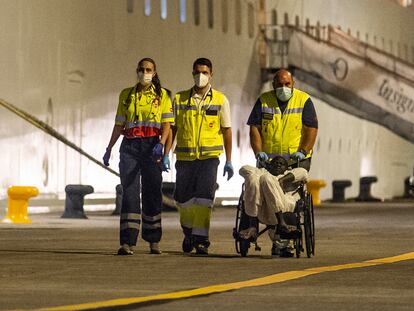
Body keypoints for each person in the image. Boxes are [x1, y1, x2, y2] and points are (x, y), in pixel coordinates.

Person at [103, 58, 174, 255]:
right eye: (142, 69)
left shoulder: (163, 96)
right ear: (137, 71)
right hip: (130, 148)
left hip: (152, 147)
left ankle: (153, 240)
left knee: (152, 192)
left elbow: (167, 124)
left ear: (155, 72)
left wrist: (162, 146)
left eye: (149, 69)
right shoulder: (126, 95)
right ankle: (128, 242)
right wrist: (109, 147)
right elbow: (119, 124)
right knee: (130, 193)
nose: (145, 73)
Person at [246, 68, 318, 256]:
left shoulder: (304, 101)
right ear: (273, 85)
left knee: (286, 192)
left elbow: (311, 128)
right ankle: (278, 239)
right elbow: (255, 128)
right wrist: (259, 152)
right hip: (269, 161)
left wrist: (303, 151)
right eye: (280, 85)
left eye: (287, 84)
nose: (283, 88)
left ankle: (283, 240)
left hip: (296, 161)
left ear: (293, 84)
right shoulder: (264, 101)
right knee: (268, 189)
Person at [173, 57, 234, 255]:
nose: (201, 76)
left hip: (209, 158)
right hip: (185, 158)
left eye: (205, 72)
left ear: (211, 74)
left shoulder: (220, 99)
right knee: (184, 200)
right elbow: (172, 128)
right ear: (192, 74)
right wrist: (165, 153)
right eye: (198, 72)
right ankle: (188, 231)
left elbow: (226, 130)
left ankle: (201, 240)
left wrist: (229, 160)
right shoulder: (179, 99)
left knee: (204, 200)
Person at [238, 156, 308, 240]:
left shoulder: (288, 174)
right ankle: (253, 225)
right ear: (269, 165)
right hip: (260, 211)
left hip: (285, 210)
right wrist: (256, 176)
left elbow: (303, 172)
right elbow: (243, 169)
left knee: (267, 178)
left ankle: (280, 221)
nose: (278, 164)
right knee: (255, 178)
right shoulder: (261, 173)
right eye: (275, 162)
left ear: (286, 168)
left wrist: (282, 180)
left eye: (281, 164)